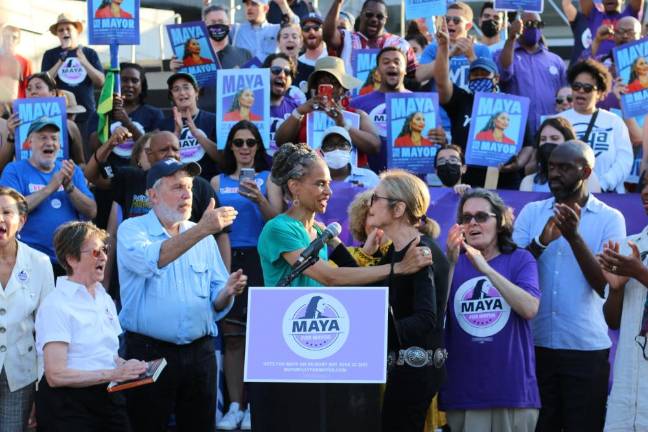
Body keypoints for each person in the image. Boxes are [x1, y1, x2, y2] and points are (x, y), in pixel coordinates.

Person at [252, 142, 434, 431]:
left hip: (317, 345)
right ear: (295, 187)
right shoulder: (279, 228)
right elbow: (330, 277)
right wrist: (398, 268)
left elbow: (348, 273)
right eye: (320, 183)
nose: (329, 190)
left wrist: (371, 256)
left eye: (328, 183)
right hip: (284, 347)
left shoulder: (319, 232)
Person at [117, 158, 245, 432]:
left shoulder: (205, 237)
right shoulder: (132, 230)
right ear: (152, 196)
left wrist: (227, 291)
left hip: (200, 353)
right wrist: (203, 229)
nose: (188, 194)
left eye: (189, 187)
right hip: (148, 352)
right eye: (177, 188)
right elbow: (156, 258)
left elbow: (216, 300)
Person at [513, 140, 626, 431]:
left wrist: (574, 237)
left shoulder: (610, 219)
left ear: (586, 171)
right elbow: (511, 273)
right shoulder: (531, 213)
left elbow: (605, 285)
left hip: (585, 350)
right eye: (551, 166)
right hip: (534, 346)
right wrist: (541, 242)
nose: (554, 174)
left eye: (564, 167)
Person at [442, 188, 540, 431]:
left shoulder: (520, 259)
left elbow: (529, 308)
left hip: (512, 393)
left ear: (500, 222)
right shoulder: (450, 262)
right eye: (466, 218)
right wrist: (450, 264)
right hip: (463, 394)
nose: (473, 223)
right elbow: (435, 318)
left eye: (481, 217)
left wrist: (486, 269)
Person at [34, 221, 148, 431]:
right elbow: (55, 375)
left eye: (105, 250)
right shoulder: (56, 305)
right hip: (69, 408)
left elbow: (106, 353)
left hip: (108, 400)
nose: (104, 257)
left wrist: (127, 365)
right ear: (71, 258)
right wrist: (114, 374)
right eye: (96, 252)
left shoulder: (103, 297)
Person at [366, 170, 448, 432]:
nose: (370, 203)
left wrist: (378, 333)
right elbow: (369, 284)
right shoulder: (395, 250)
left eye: (376, 197)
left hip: (416, 373)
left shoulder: (421, 252)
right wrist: (334, 245)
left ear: (398, 208)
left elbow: (426, 318)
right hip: (400, 372)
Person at [211, 121, 280, 431]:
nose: (244, 148)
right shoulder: (216, 181)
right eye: (238, 142)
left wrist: (259, 198)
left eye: (251, 143)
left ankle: (257, 404)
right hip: (228, 257)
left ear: (258, 147)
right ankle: (235, 405)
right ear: (231, 147)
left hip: (262, 259)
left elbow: (278, 223)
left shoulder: (269, 178)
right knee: (233, 336)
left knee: (262, 337)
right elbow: (213, 227)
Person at [0, 118, 96, 276]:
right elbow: (10, 209)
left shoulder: (71, 170)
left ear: (60, 145)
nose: (49, 142)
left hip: (69, 261)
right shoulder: (14, 170)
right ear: (29, 142)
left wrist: (70, 187)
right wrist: (50, 188)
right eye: (43, 137)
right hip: (29, 261)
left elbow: (91, 211)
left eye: (54, 138)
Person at [0, 187, 53, 432]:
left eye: (6, 212)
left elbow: (47, 330)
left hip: (20, 375)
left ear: (21, 221)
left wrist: (42, 388)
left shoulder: (39, 262)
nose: (0, 219)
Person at [599, 175, 648, 431]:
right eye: (645, 185)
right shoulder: (630, 246)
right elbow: (613, 321)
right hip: (627, 388)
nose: (647, 192)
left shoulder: (633, 259)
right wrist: (616, 290)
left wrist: (640, 273)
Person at [274, 56, 381, 168]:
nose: (329, 87)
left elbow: (375, 147)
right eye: (322, 81)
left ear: (344, 89)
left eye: (333, 82)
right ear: (315, 88)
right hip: (312, 180)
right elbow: (280, 142)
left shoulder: (357, 115)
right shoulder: (303, 116)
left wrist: (343, 124)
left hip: (351, 181)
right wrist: (298, 112)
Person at [558, 59, 633, 192]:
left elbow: (624, 160)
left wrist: (602, 185)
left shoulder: (614, 122)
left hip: (608, 196)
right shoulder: (558, 120)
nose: (581, 91)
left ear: (600, 93)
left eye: (587, 88)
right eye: (576, 86)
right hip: (567, 195)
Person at [495, 13, 568, 137]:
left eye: (538, 24)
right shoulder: (504, 53)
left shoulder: (555, 60)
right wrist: (511, 37)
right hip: (515, 129)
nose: (534, 28)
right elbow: (504, 73)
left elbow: (565, 94)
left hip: (549, 130)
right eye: (528, 24)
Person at [323, 0, 418, 86]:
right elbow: (328, 35)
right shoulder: (346, 39)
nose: (374, 19)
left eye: (379, 16)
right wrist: (338, 2)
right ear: (361, 15)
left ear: (385, 20)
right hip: (351, 103)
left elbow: (415, 77)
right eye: (369, 14)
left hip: (387, 103)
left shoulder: (400, 44)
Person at [87, 62, 164, 169]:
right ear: (115, 84)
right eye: (124, 80)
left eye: (135, 80)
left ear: (142, 86)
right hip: (110, 174)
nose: (129, 85)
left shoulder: (154, 114)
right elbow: (94, 147)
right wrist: (108, 123)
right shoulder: (101, 114)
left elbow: (154, 148)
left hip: (142, 174)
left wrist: (127, 123)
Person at [4, 72, 85, 166]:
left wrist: (72, 174)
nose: (32, 91)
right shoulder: (16, 124)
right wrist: (11, 136)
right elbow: (2, 165)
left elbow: (81, 163)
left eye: (38, 87)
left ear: (53, 93)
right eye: (29, 89)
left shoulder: (69, 126)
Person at [41, 14, 105, 127]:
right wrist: (61, 60)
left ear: (77, 32)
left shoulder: (89, 53)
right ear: (57, 35)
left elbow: (101, 82)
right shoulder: (50, 54)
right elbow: (44, 83)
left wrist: (84, 61)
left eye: (68, 29)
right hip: (59, 114)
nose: (65, 32)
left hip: (87, 114)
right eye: (61, 30)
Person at [416, 2, 492, 91]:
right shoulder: (433, 48)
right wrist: (449, 54)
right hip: (440, 104)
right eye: (447, 20)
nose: (451, 23)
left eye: (456, 20)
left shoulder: (482, 50)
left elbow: (489, 83)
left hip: (471, 103)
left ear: (468, 26)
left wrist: (471, 57)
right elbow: (420, 76)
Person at [158, 72, 219, 181]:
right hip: (175, 184)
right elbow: (160, 162)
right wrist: (176, 133)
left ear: (196, 92)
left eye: (186, 87)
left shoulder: (213, 120)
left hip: (207, 182)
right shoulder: (164, 125)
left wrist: (199, 136)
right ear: (172, 96)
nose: (182, 92)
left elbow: (223, 159)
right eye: (176, 89)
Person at [520, 117, 602, 192]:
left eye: (554, 138)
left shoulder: (587, 179)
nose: (548, 142)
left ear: (568, 141)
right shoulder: (528, 182)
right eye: (543, 139)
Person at [231, 0, 298, 63]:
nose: (249, 8)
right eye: (247, 4)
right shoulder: (236, 30)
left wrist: (282, 4)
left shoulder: (277, 29)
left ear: (265, 8)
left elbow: (295, 26)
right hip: (244, 74)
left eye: (254, 4)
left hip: (272, 74)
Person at [264, 53, 301, 153]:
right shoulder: (248, 106)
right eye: (276, 70)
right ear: (263, 73)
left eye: (287, 72)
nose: (282, 75)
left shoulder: (297, 109)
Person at [346, 189, 391, 266]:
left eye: (383, 215)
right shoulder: (347, 254)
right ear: (361, 220)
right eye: (372, 214)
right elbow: (334, 276)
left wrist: (387, 247)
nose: (378, 222)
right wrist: (365, 254)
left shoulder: (408, 251)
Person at [296, 13, 328, 90]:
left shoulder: (332, 57)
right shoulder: (297, 63)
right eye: (306, 28)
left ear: (323, 30)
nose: (311, 32)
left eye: (316, 28)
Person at [0, 25, 31, 99]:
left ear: (18, 41)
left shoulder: (25, 62)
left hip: (17, 106)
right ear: (2, 38)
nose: (10, 40)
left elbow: (28, 87)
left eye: (14, 37)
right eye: (7, 36)